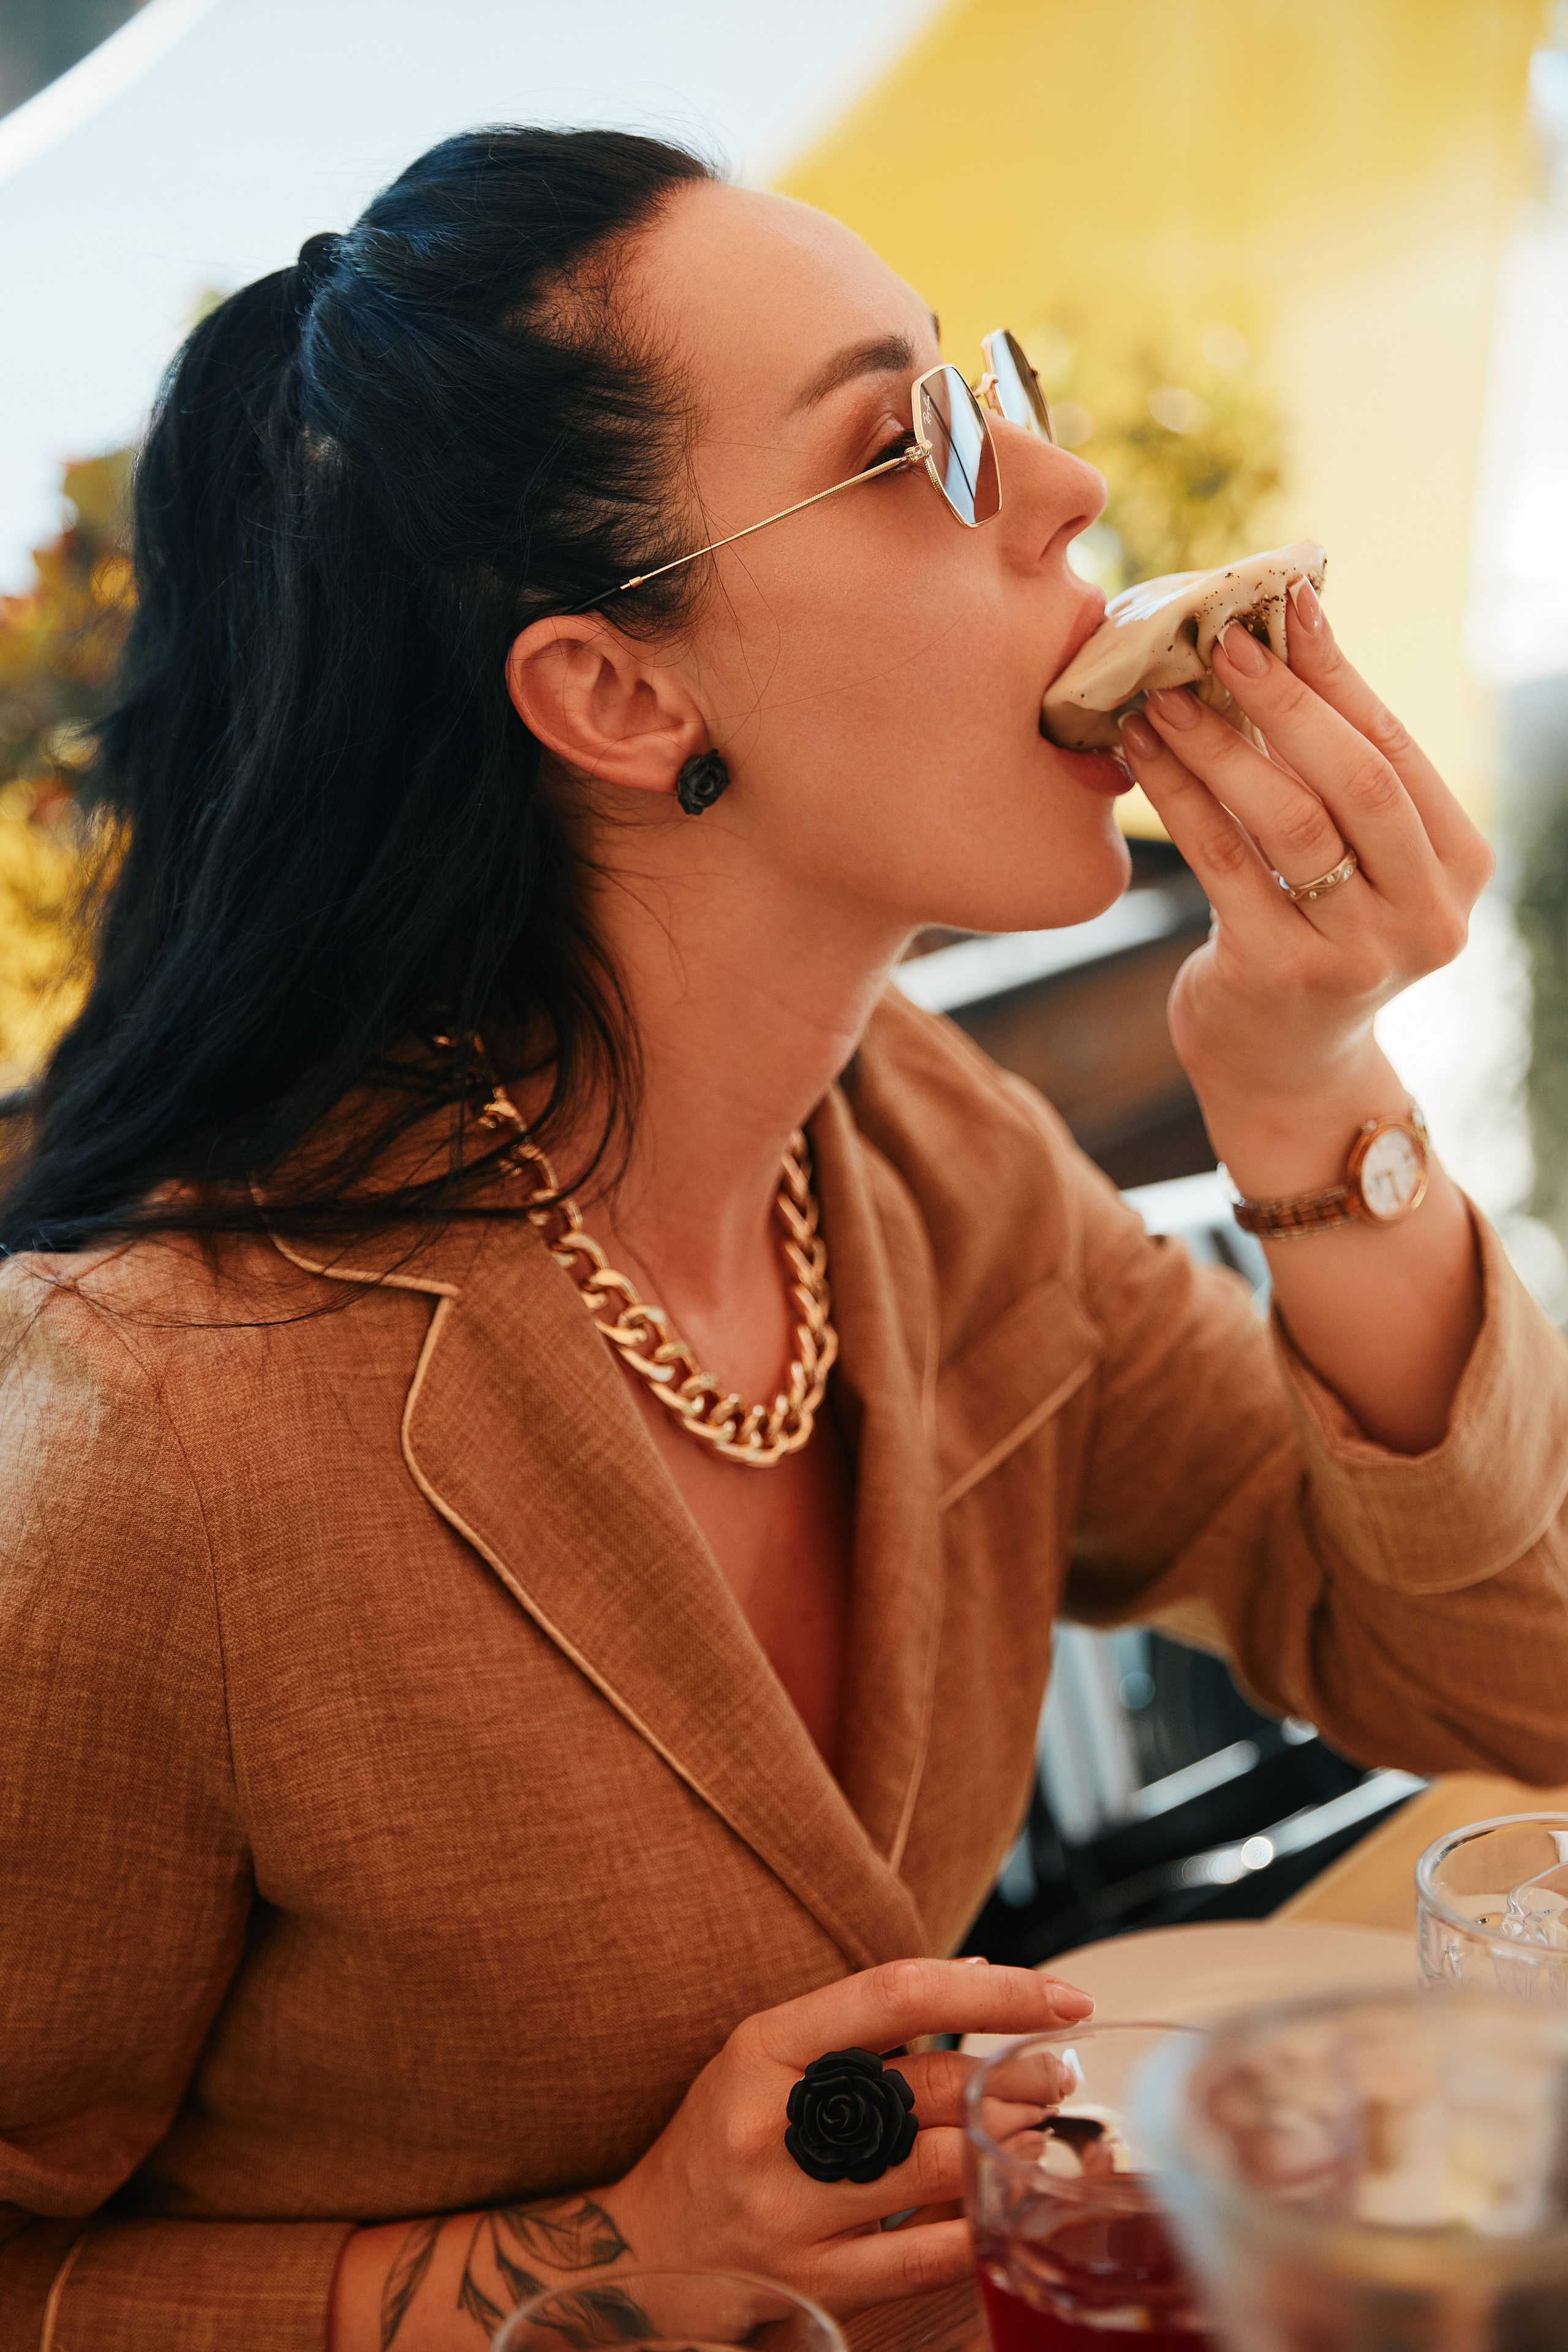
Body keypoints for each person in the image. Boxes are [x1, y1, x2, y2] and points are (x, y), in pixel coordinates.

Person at [1, 124, 1564, 2352]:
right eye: (908, 441)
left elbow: (1508, 1676)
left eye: (979, 387)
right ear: (619, 695)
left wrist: (1309, 1083)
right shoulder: (146, 1436)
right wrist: (574, 2279)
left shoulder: (913, 1156)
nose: (1066, 483)